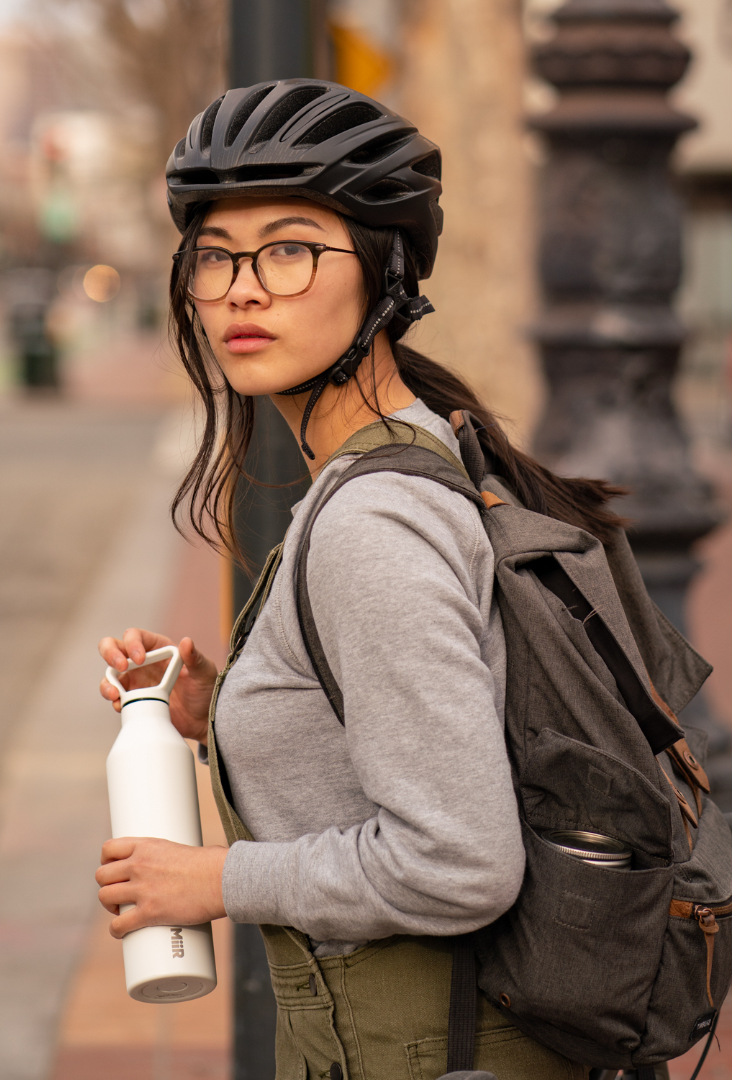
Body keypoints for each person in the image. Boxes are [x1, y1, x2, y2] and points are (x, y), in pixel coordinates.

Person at [96, 80, 625, 1080]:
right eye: (216, 256)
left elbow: (458, 862)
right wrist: (236, 705)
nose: (243, 288)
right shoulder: (417, 453)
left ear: (383, 275)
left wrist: (212, 881)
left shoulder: (372, 522)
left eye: (290, 248)